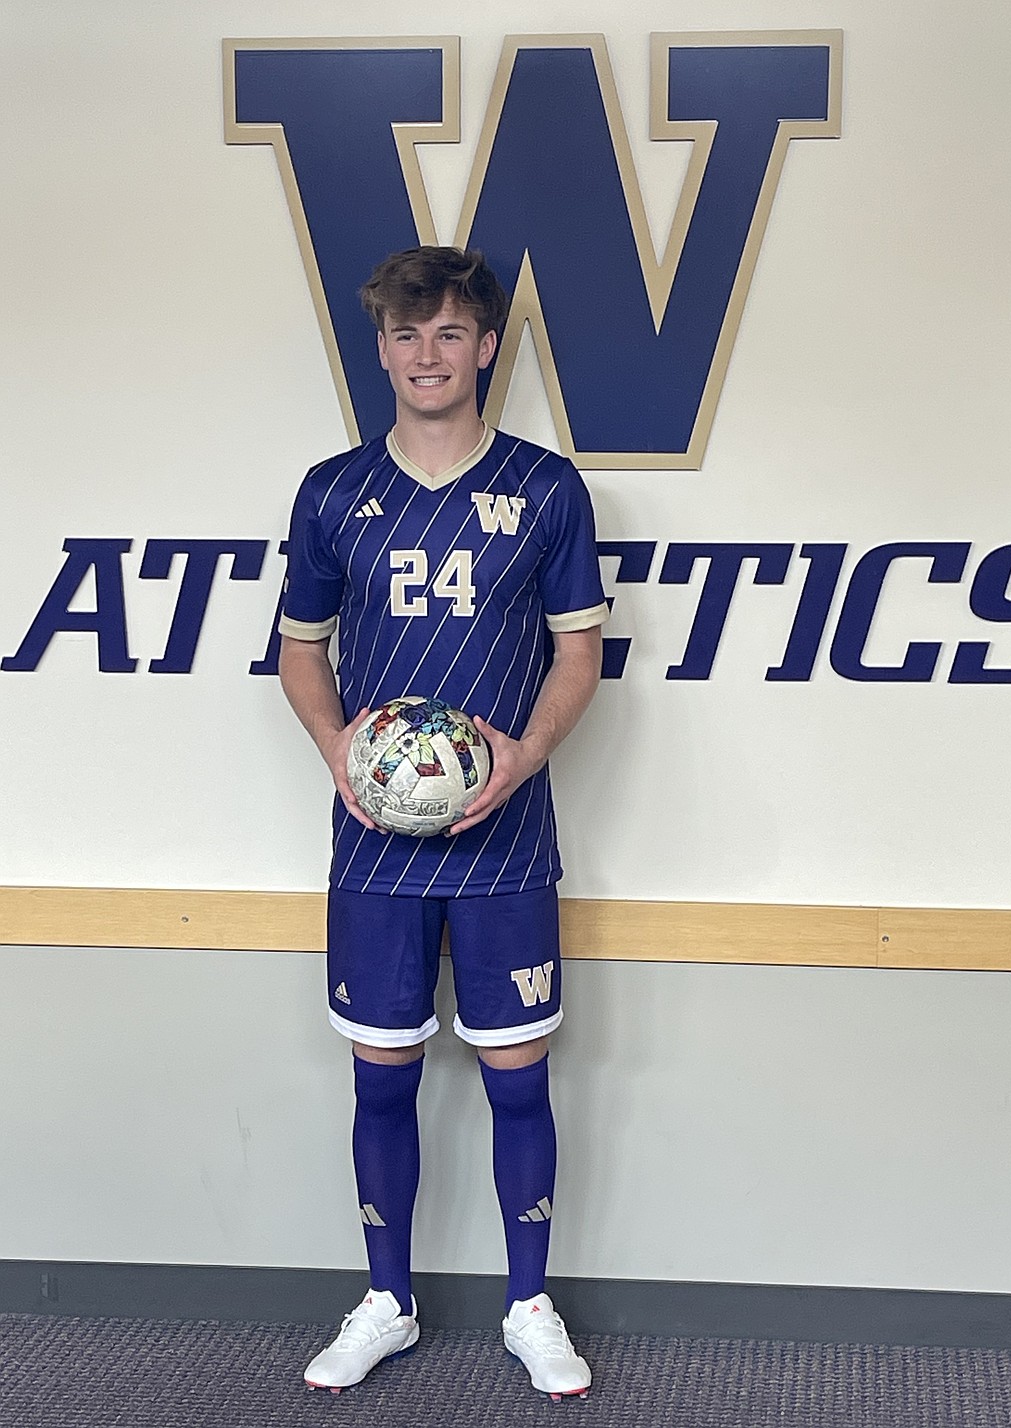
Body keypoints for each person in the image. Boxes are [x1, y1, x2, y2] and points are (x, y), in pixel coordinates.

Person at [277, 246, 607, 1401]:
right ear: (382, 349)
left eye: (452, 333)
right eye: (409, 335)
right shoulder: (332, 493)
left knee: (519, 1079)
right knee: (382, 1080)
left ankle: (528, 1305)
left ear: (485, 349)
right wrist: (339, 752)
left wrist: (521, 760)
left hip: (505, 841)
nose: (429, 355)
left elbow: (579, 652)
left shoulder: (547, 488)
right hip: (375, 844)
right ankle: (388, 1301)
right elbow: (300, 653)